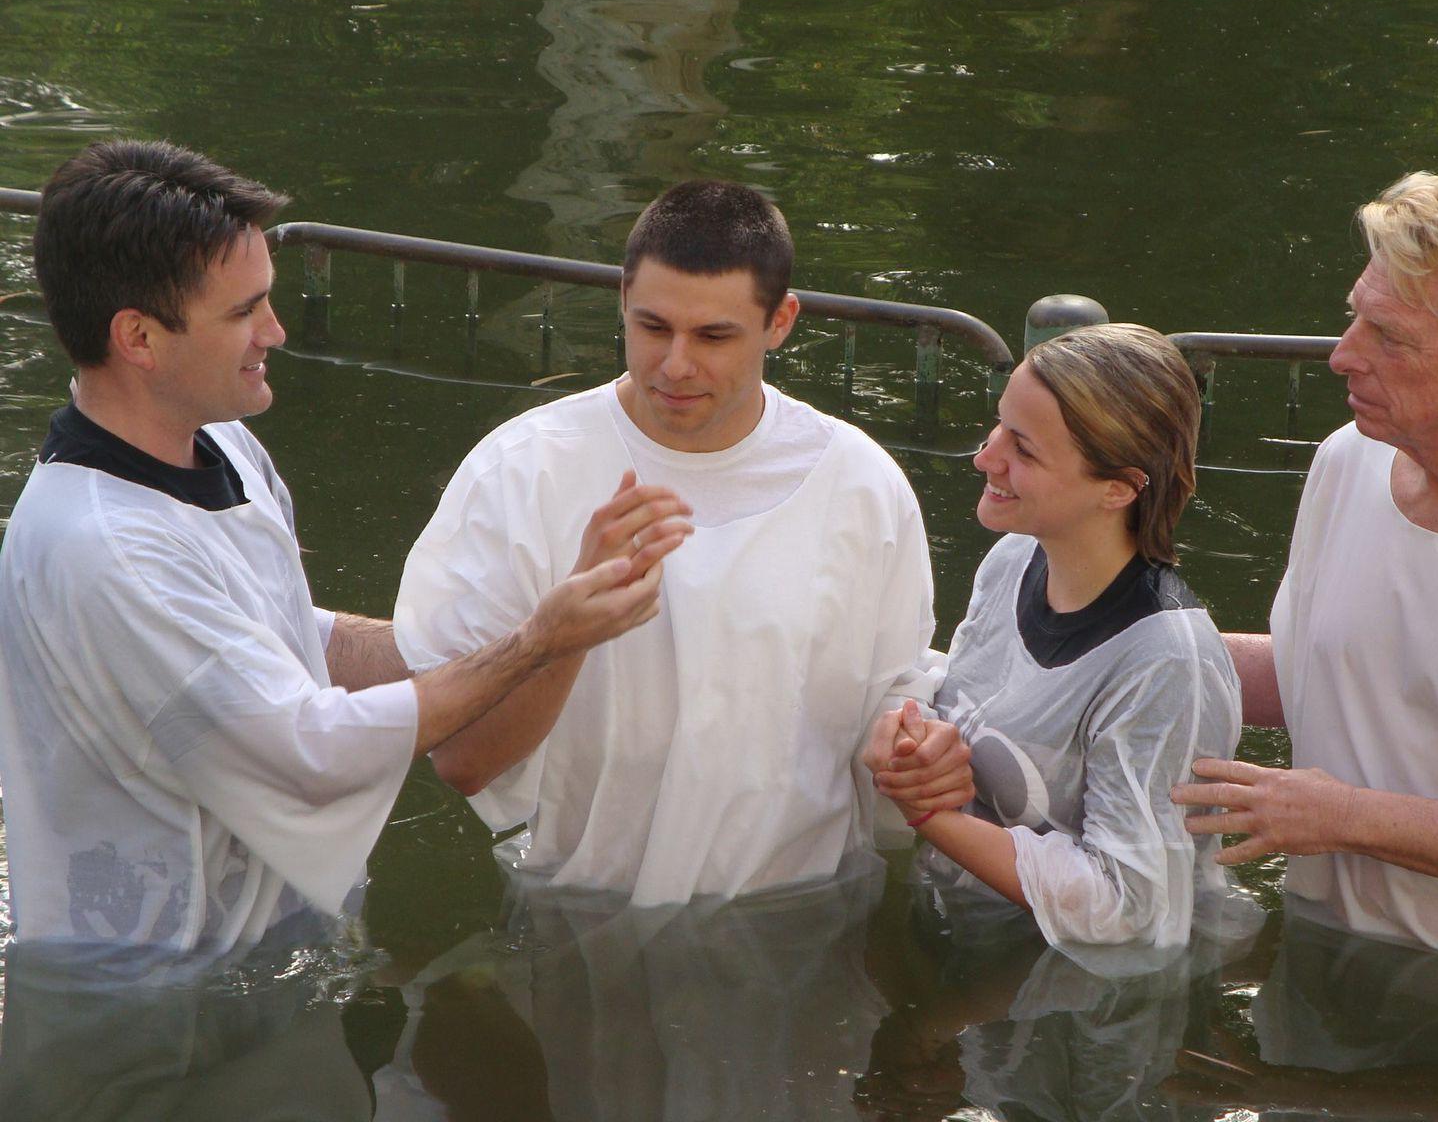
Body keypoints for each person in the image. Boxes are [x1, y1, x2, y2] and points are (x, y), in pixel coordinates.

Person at [0, 139, 680, 956]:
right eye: (243, 312)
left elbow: (291, 640)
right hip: (143, 985)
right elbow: (311, 753)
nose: (276, 332)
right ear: (139, 338)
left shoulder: (220, 444)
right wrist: (541, 642)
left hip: (264, 941)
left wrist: (522, 623)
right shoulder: (105, 549)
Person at [393, 180, 962, 907]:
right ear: (620, 301)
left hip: (798, 904)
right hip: (586, 896)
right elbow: (461, 761)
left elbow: (892, 697)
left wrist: (916, 743)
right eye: (652, 327)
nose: (676, 365)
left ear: (781, 321)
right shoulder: (525, 469)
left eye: (714, 336)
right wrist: (559, 635)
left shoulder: (857, 483)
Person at [1172, 172, 1438, 957]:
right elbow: (1325, 672)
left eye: (1390, 337)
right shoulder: (1351, 460)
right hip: (1322, 945)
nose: (1342, 357)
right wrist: (1115, 656)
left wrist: (1345, 819)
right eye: (1353, 320)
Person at [868, 324, 1243, 955]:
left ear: (1119, 488)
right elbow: (971, 706)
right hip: (965, 941)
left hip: (1084, 1005)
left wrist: (931, 817)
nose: (985, 458)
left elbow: (1130, 907)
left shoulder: (1166, 663)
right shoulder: (1014, 559)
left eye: (1024, 450)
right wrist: (912, 735)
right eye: (998, 426)